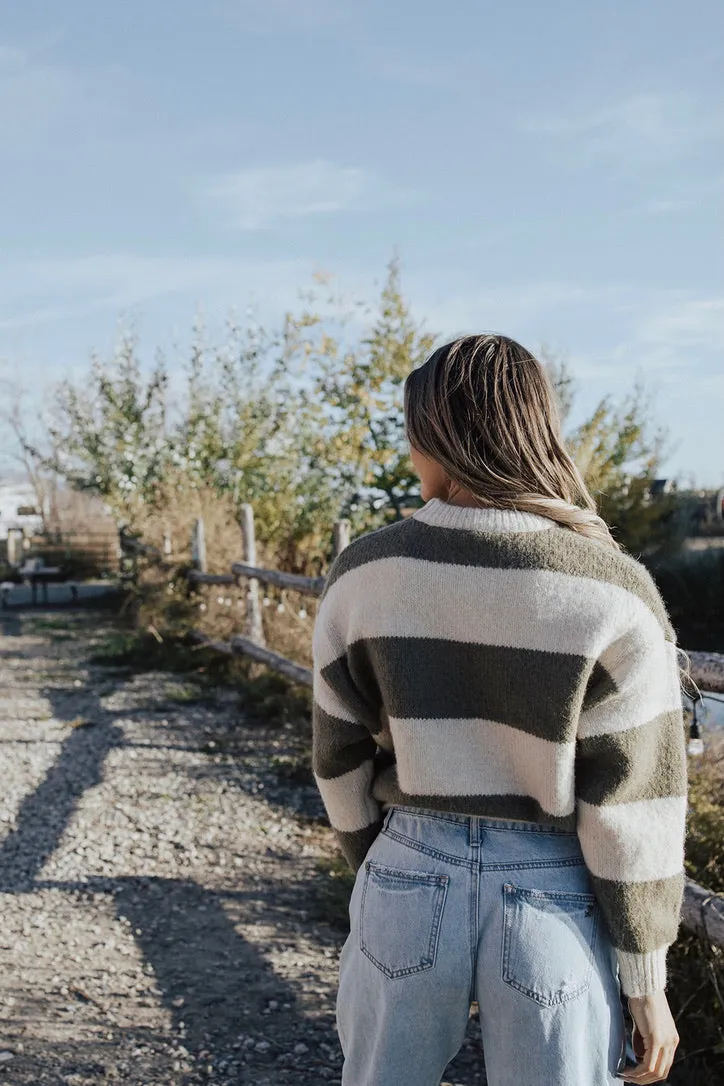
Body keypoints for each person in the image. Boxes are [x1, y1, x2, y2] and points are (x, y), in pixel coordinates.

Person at [311, 334, 686, 1086]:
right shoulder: (612, 588)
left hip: (407, 870)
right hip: (554, 893)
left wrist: (380, 868)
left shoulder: (367, 571)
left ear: (435, 436)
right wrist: (645, 975)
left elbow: (338, 754)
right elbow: (633, 802)